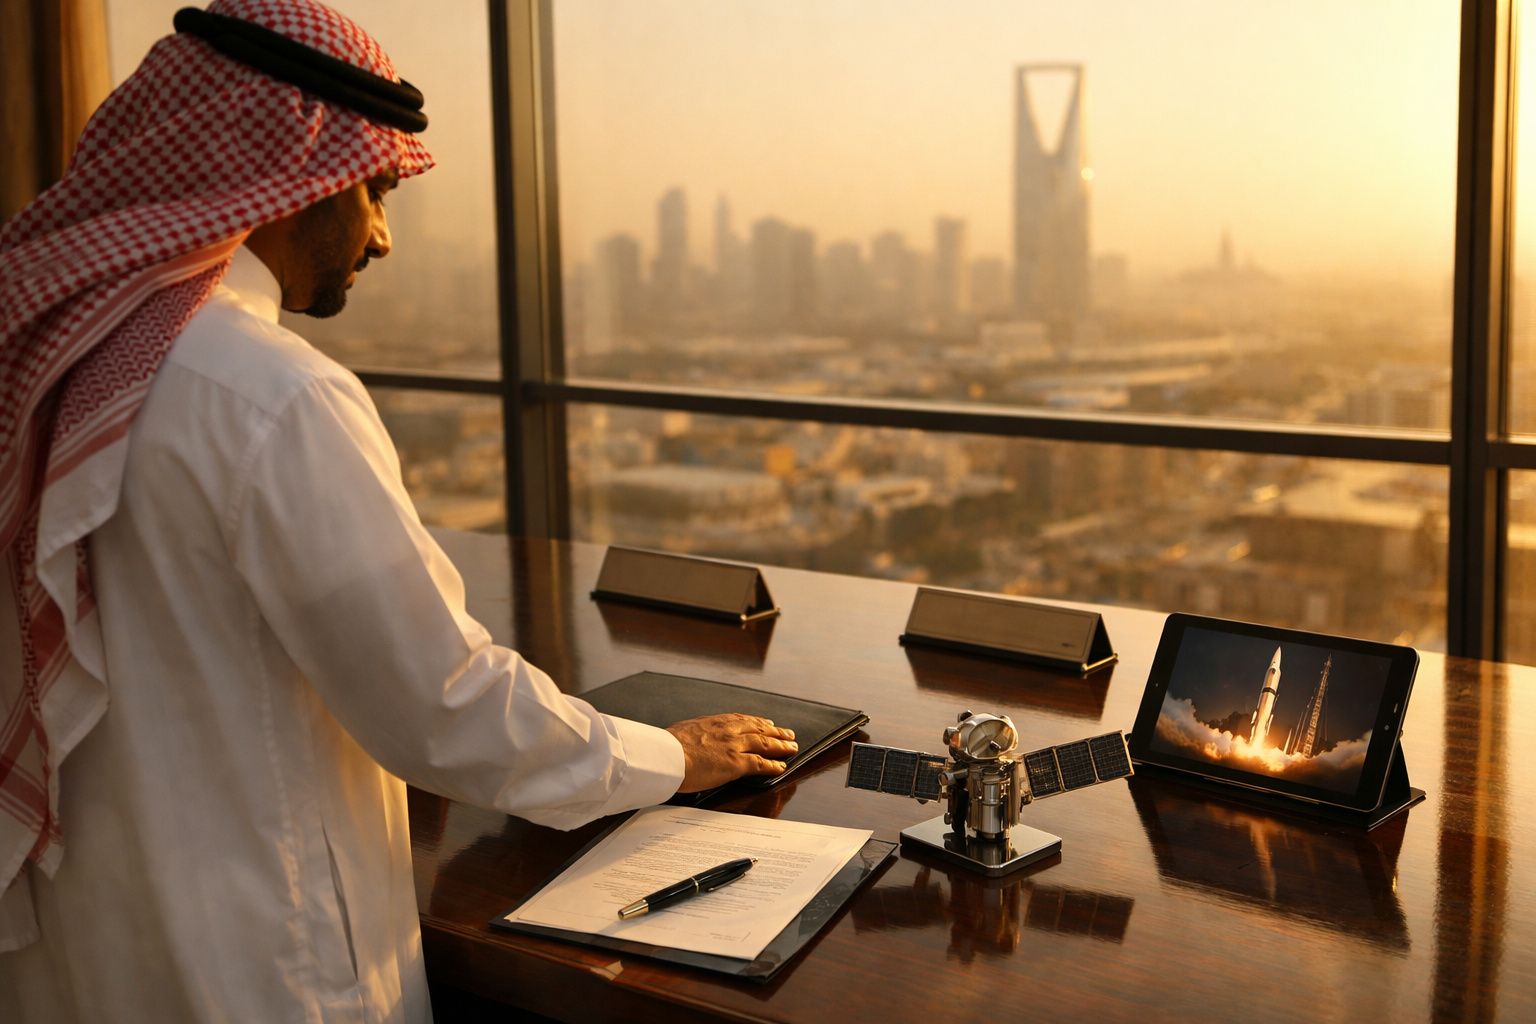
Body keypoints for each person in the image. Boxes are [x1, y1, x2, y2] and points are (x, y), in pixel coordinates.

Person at [0, 2, 796, 1020]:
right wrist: (672, 755)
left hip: (80, 951)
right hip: (257, 960)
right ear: (288, 184)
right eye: (372, 190)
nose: (381, 236)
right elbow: (440, 702)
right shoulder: (270, 393)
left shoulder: (54, 364)